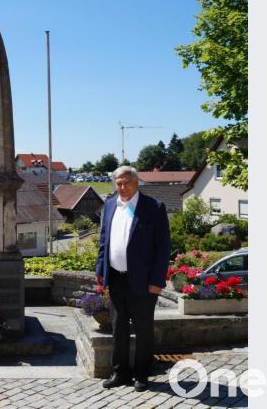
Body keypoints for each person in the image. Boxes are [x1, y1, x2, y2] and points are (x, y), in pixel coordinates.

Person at [95, 166, 170, 392]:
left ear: (137, 182)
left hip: (144, 282)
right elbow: (104, 241)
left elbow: (163, 247)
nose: (122, 187)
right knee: (118, 328)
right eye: (118, 183)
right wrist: (100, 270)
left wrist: (157, 280)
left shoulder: (154, 208)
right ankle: (120, 372)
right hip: (116, 279)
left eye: (127, 182)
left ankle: (142, 374)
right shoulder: (109, 205)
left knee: (144, 329)